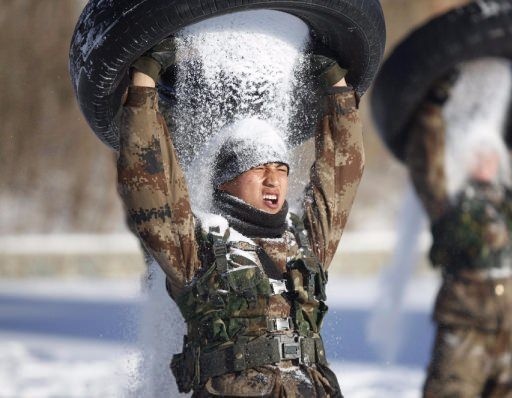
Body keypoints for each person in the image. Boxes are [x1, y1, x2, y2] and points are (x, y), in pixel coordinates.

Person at [117, 39, 364, 397]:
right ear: (225, 181)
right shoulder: (197, 247)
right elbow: (148, 181)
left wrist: (337, 90)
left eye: (280, 168)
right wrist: (144, 81)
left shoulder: (304, 240)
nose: (273, 179)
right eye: (257, 168)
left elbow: (342, 176)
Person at [405, 67, 512, 398]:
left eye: (489, 150)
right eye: (476, 151)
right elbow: (426, 158)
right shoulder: (447, 197)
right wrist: (434, 104)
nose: (484, 158)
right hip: (465, 323)